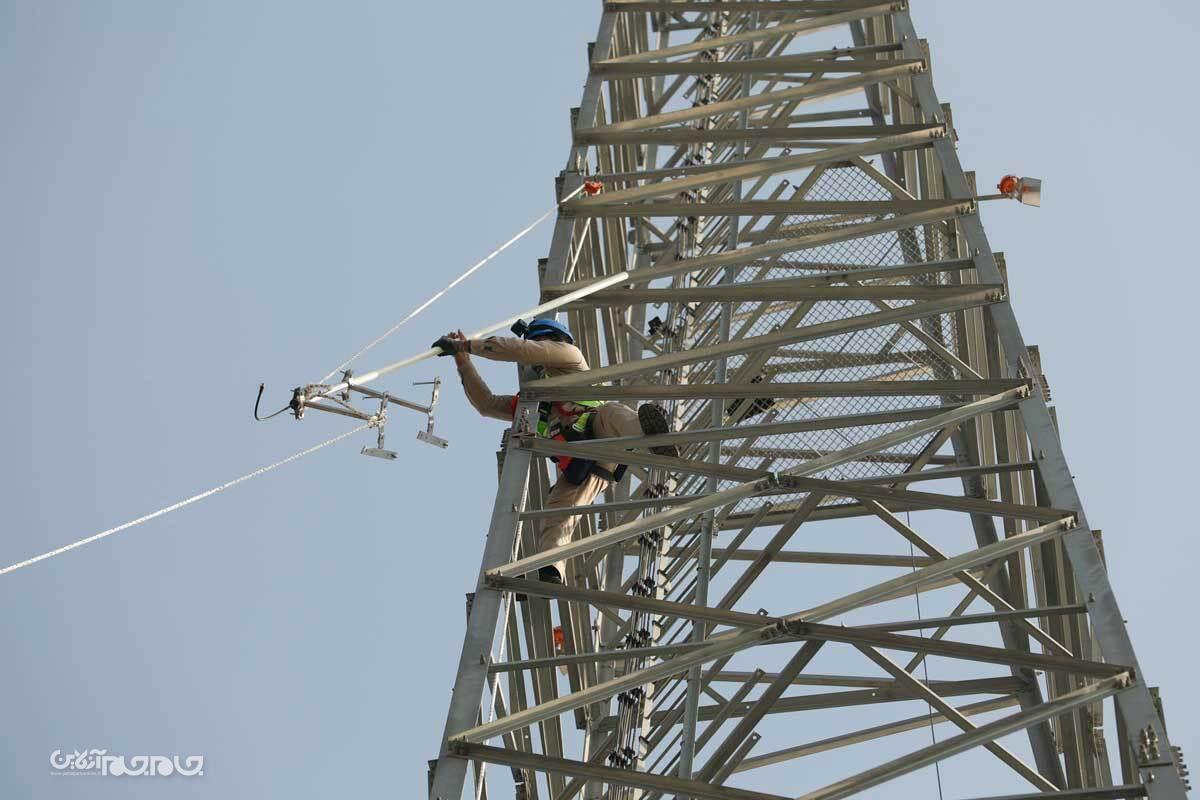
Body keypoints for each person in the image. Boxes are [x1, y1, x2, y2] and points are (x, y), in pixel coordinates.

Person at [433, 319, 676, 587]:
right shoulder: (534, 405)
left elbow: (524, 350)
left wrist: (466, 346)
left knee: (612, 412)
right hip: (583, 464)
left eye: (541, 342)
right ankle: (550, 568)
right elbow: (486, 404)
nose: (537, 353)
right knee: (558, 510)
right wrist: (463, 362)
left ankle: (652, 438)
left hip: (602, 434)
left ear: (554, 339)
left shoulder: (571, 357)